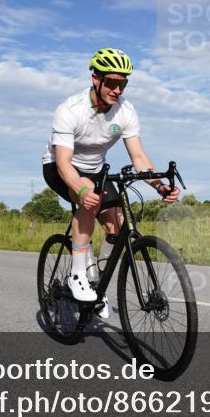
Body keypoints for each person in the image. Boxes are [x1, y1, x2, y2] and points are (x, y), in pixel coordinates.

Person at [41, 48, 180, 315]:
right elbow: (62, 162)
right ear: (96, 78)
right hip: (60, 167)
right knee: (89, 203)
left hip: (95, 170)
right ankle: (78, 275)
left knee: (117, 224)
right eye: (113, 82)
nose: (118, 89)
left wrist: (160, 186)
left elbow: (139, 157)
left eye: (123, 83)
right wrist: (80, 188)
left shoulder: (125, 111)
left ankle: (97, 283)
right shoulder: (70, 110)